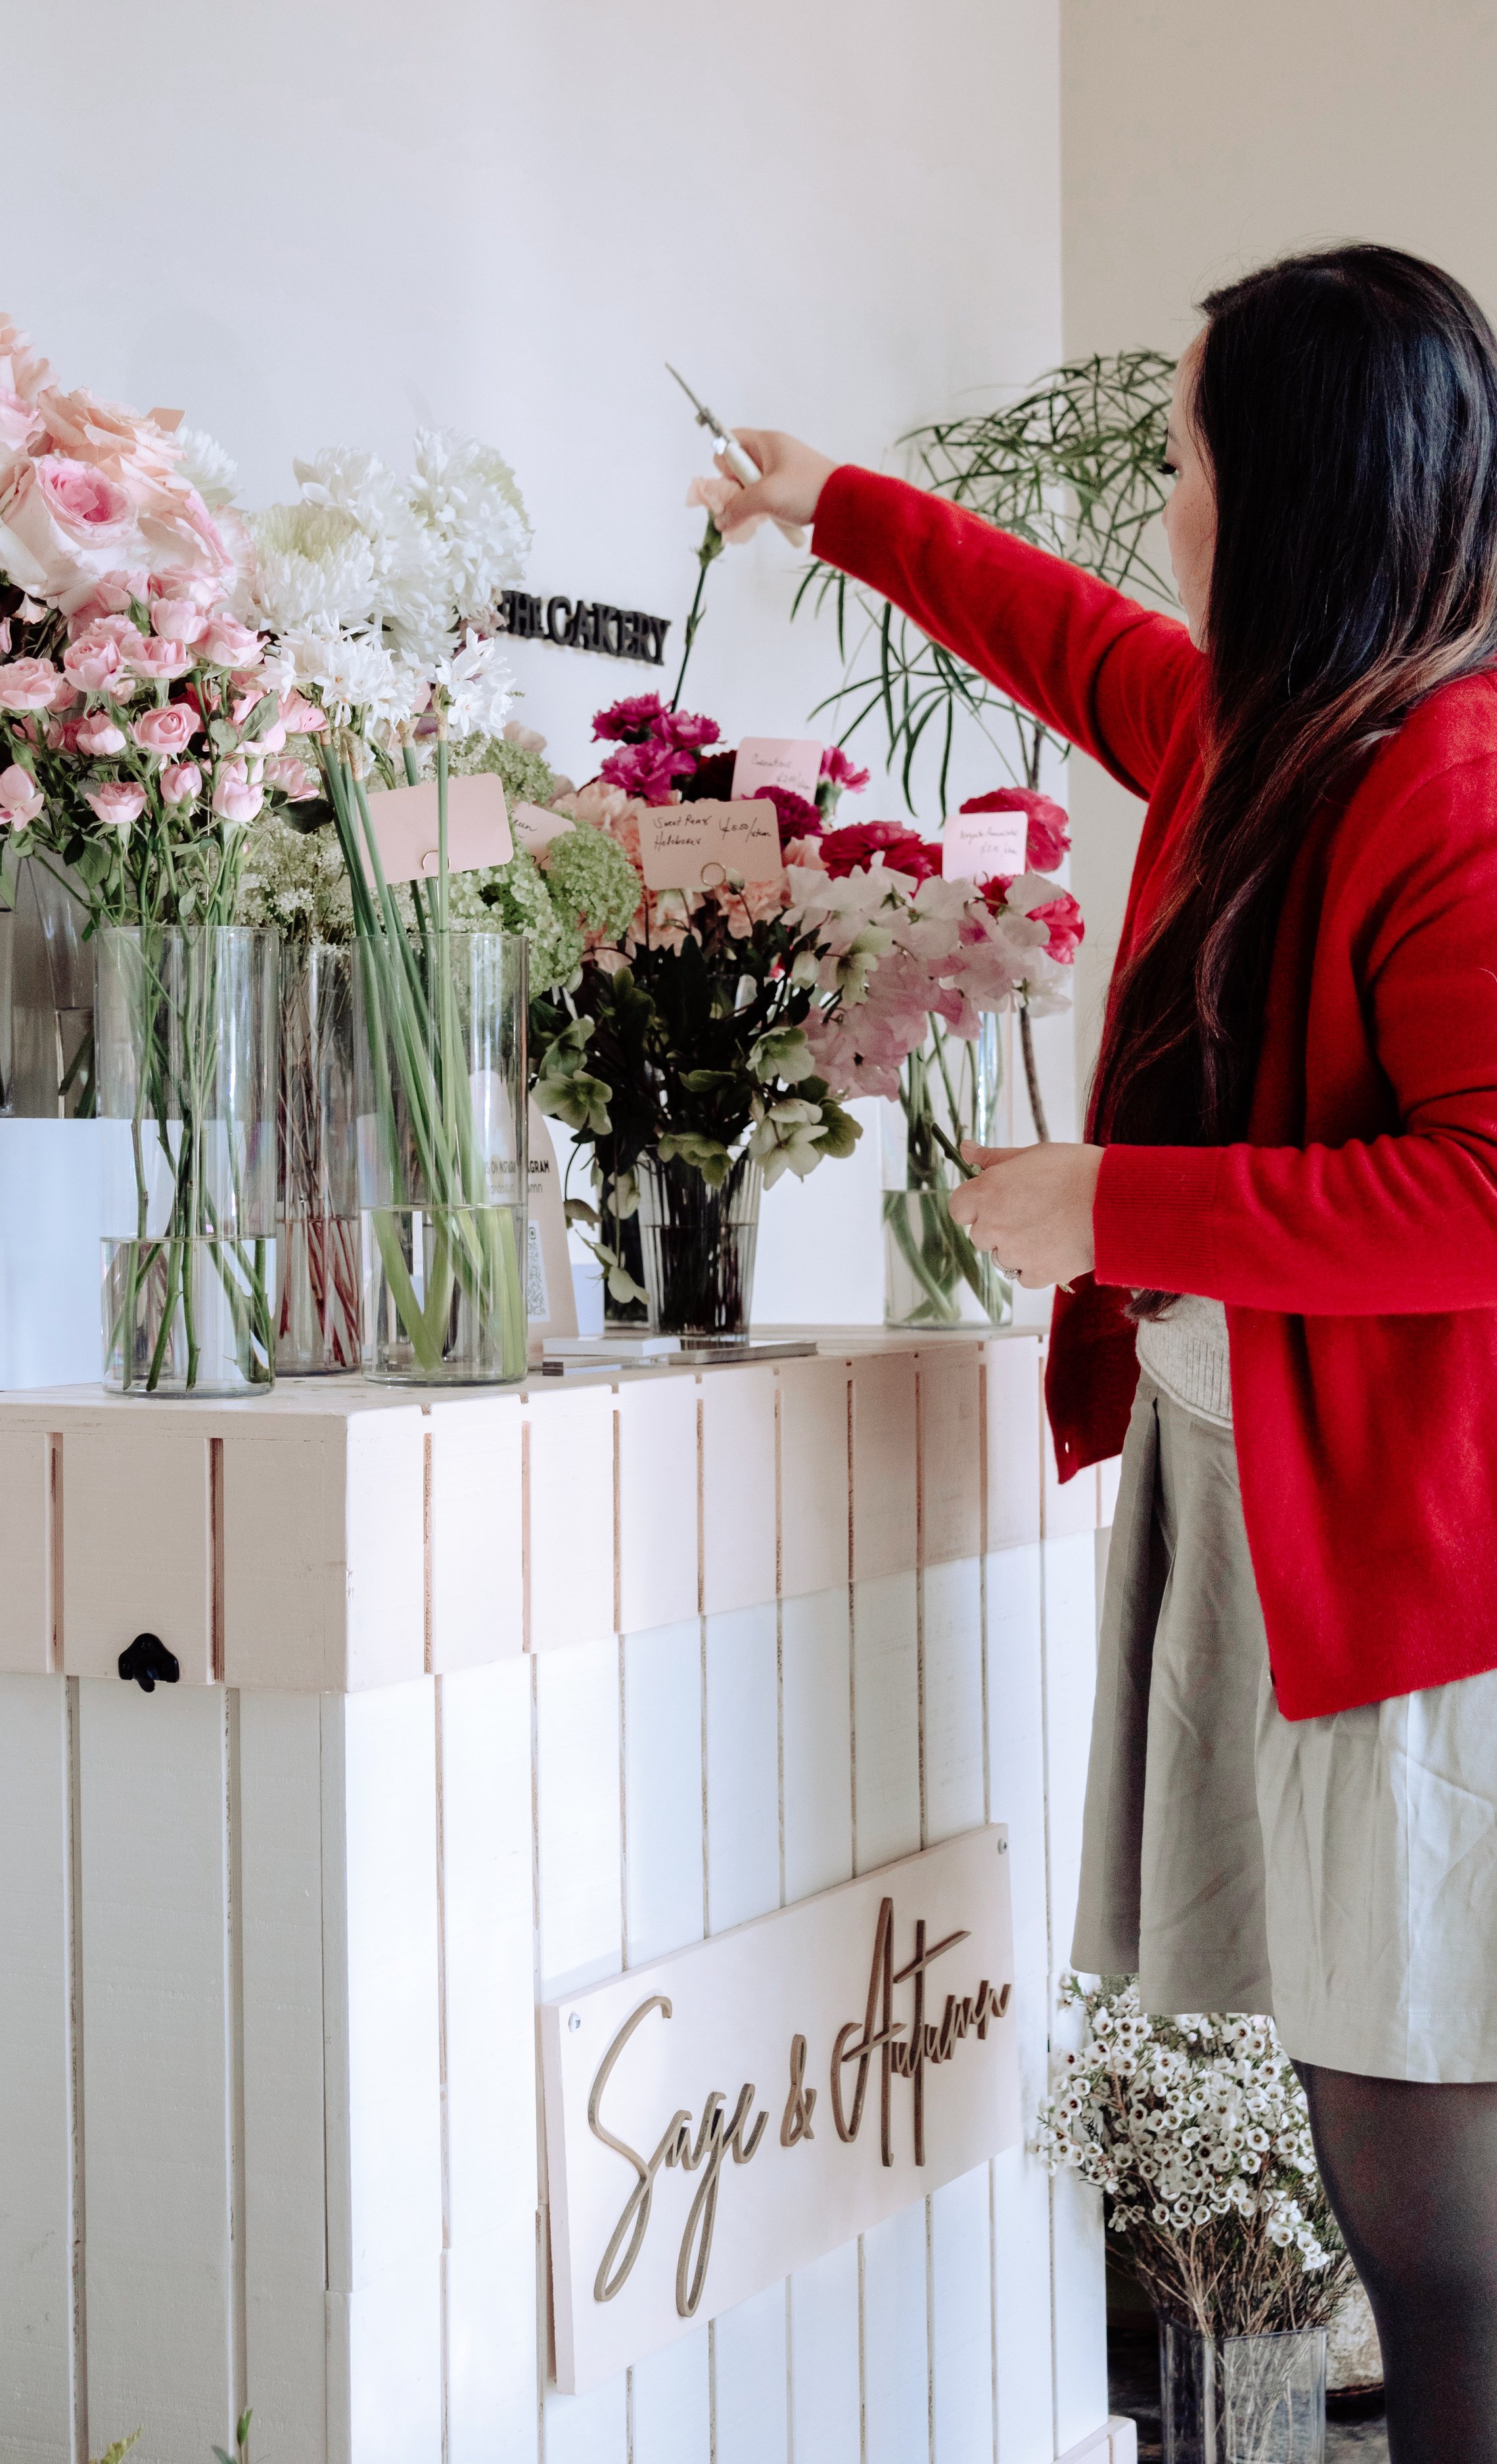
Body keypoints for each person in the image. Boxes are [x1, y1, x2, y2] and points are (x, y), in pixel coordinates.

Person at [719, 245, 1497, 2463]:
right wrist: (833, 504)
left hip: (1409, 1568)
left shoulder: (1448, 782)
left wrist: (1112, 1208)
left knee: (1427, 2170)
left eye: (1181, 451)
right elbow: (1069, 646)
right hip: (1268, 1501)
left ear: (1294, 478)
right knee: (1366, 2126)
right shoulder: (1269, 731)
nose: (1161, 498)